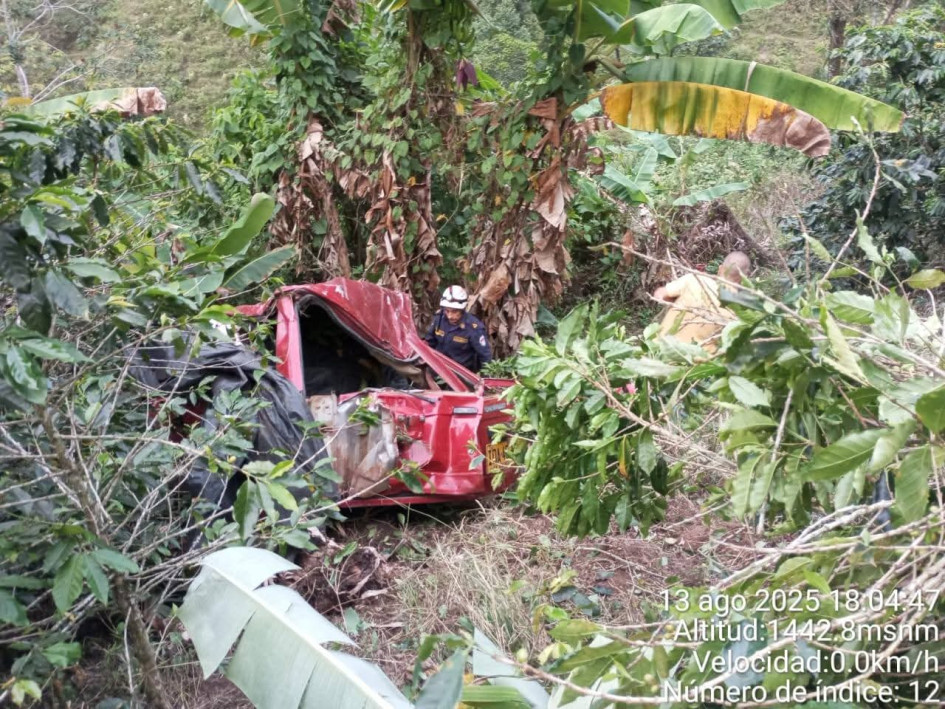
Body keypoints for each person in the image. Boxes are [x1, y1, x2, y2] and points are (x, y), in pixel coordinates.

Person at [652, 251, 751, 352]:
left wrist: (677, 300)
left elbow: (659, 294)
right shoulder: (741, 310)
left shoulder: (694, 279)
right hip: (694, 363)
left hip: (660, 350)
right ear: (744, 279)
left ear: (720, 268)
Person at [424, 285, 493, 372]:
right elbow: (429, 342)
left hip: (461, 375)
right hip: (438, 370)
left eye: (454, 311)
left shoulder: (474, 328)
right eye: (447, 311)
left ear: (462, 309)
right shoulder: (439, 319)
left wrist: (484, 378)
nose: (449, 316)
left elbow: (485, 357)